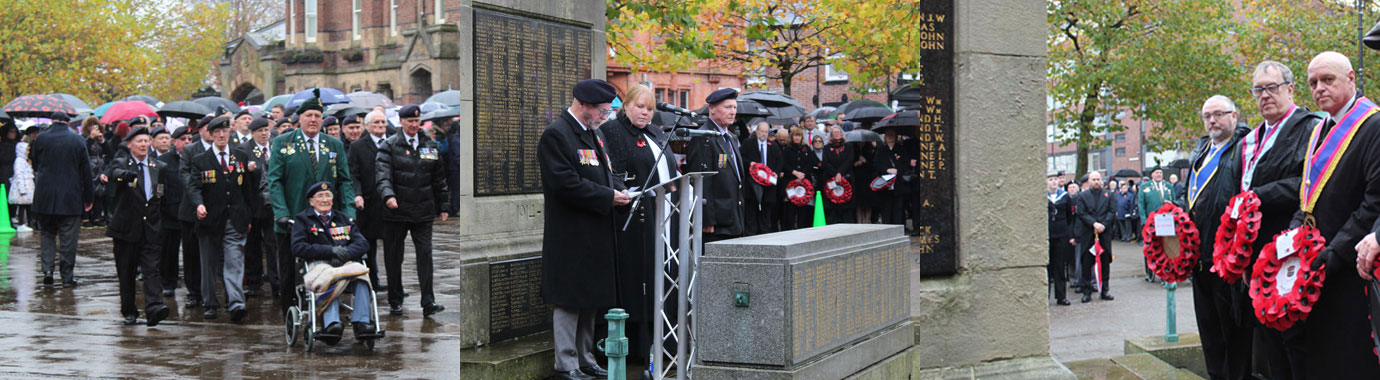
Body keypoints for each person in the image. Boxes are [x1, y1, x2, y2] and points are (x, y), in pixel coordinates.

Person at [1289, 51, 1380, 378]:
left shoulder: (1374, 125)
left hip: (1351, 267)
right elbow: (1308, 195)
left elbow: (1373, 203)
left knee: (1348, 358)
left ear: (1351, 78)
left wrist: (1334, 253)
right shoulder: (1318, 128)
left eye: (1328, 80)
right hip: (1316, 262)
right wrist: (1293, 238)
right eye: (1313, 83)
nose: (1319, 89)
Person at [1237, 60, 1320, 380]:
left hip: (1291, 247)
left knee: (1295, 339)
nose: (1265, 95)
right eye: (1258, 89)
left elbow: (1309, 181)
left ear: (1290, 88)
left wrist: (1259, 194)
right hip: (1255, 252)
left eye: (1272, 87)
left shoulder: (1311, 126)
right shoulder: (1252, 137)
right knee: (1268, 336)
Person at [538, 79, 624, 380]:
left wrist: (622, 190)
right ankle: (566, 363)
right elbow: (565, 184)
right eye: (602, 111)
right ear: (583, 105)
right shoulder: (557, 135)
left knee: (591, 298)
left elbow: (605, 173)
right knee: (570, 299)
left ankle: (586, 358)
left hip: (596, 230)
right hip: (571, 234)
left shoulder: (593, 134)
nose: (605, 117)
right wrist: (608, 196)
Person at [600, 83, 679, 362]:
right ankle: (638, 347)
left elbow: (670, 168)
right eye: (639, 107)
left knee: (663, 276)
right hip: (633, 220)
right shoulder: (613, 132)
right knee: (640, 282)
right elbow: (613, 173)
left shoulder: (656, 132)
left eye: (649, 108)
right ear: (626, 105)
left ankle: (664, 342)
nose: (645, 113)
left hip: (664, 215)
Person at [267, 90, 356, 312]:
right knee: (288, 271)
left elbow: (345, 181)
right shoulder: (283, 143)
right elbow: (274, 181)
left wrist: (349, 212)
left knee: (329, 266)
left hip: (327, 220)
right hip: (292, 218)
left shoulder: (333, 145)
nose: (313, 120)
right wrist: (281, 212)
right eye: (309, 115)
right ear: (300, 119)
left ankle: (328, 311)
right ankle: (290, 312)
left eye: (317, 115)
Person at [1183, 95, 1251, 380]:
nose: (1212, 121)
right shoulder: (1201, 151)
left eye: (1219, 114)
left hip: (1227, 260)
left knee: (1233, 335)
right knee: (1209, 334)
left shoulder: (1244, 149)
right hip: (1199, 261)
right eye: (1207, 116)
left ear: (1234, 116)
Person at [376, 104, 449, 317]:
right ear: (401, 122)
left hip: (423, 210)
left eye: (417, 121)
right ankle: (395, 299)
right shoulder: (389, 146)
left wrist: (443, 205)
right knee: (393, 257)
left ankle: (428, 301)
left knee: (425, 255)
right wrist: (388, 196)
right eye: (410, 121)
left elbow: (439, 178)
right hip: (396, 212)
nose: (414, 125)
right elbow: (382, 175)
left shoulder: (430, 145)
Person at [186, 116, 260, 322]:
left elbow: (248, 189)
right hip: (209, 220)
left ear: (229, 133)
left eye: (224, 131)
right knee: (208, 264)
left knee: (234, 261)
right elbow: (193, 186)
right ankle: (210, 303)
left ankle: (236, 303)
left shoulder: (240, 156)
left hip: (235, 219)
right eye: (216, 132)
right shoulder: (201, 159)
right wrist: (198, 204)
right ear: (209, 134)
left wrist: (249, 214)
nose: (221, 135)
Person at [290, 181, 378, 344]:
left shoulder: (343, 218)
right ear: (311, 201)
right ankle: (331, 324)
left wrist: (345, 253)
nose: (325, 200)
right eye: (320, 196)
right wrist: (329, 251)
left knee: (361, 277)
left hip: (344, 263)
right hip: (318, 264)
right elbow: (298, 247)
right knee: (328, 277)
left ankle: (362, 322)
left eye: (328, 195)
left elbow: (363, 243)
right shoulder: (303, 220)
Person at [103, 127, 171, 326]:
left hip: (151, 227)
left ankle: (154, 307)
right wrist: (125, 175)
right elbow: (113, 173)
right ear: (130, 144)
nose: (143, 145)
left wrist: (160, 220)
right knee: (127, 272)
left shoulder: (158, 166)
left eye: (146, 141)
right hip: (126, 228)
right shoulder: (122, 163)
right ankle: (129, 310)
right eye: (139, 141)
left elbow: (161, 194)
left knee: (152, 270)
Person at [30, 113, 94, 287]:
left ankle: (48, 270)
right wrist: (89, 197)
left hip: (45, 195)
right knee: (68, 238)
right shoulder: (77, 140)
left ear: (51, 121)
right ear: (68, 122)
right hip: (70, 196)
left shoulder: (41, 139)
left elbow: (35, 163)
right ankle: (67, 276)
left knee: (47, 234)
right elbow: (86, 171)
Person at [684, 88, 745, 241]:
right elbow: (700, 179)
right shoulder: (703, 137)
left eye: (734, 107)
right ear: (712, 109)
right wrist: (706, 217)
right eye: (727, 107)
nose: (732, 112)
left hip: (733, 215)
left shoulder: (730, 136)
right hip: (717, 220)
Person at [158, 126, 200, 304]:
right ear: (174, 142)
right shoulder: (165, 161)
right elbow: (159, 188)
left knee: (191, 253)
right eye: (183, 139)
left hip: (191, 212)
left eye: (190, 139)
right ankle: (168, 282)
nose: (187, 142)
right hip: (171, 212)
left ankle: (193, 288)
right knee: (169, 251)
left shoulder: (195, 159)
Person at [348, 110, 389, 290]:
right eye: (376, 123)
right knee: (368, 246)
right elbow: (353, 174)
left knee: (392, 247)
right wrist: (357, 194)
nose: (380, 126)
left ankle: (395, 286)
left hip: (389, 203)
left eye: (383, 122)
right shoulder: (357, 146)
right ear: (368, 126)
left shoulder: (393, 142)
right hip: (368, 203)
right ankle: (372, 282)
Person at [238, 118, 278, 297]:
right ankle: (253, 283)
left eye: (266, 130)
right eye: (260, 131)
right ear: (252, 133)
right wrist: (247, 169)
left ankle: (276, 281)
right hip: (253, 204)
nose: (264, 134)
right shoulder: (244, 150)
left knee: (273, 244)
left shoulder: (275, 147)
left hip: (273, 205)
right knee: (253, 245)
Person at [1074, 171, 1115, 303]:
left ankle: (1104, 290)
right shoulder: (1082, 196)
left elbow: (1111, 212)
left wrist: (1103, 225)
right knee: (1086, 262)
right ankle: (1087, 291)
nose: (1096, 182)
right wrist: (1094, 223)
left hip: (1104, 233)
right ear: (1089, 181)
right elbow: (1081, 212)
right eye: (1093, 179)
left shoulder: (1108, 195)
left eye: (1098, 179)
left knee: (1104, 262)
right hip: (1088, 233)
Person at [741, 121, 784, 235]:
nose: (764, 134)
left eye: (766, 132)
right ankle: (751, 233)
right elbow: (741, 158)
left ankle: (765, 233)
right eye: (762, 131)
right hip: (752, 184)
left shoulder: (773, 145)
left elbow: (780, 161)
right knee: (752, 210)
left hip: (768, 184)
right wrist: (750, 163)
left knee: (766, 210)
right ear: (757, 131)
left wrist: (776, 172)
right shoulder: (748, 143)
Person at [874, 128, 911, 225]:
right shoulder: (881, 149)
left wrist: (898, 171)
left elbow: (906, 164)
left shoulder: (901, 148)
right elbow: (876, 165)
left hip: (898, 183)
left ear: (895, 136)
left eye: (891, 135)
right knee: (886, 208)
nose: (890, 137)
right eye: (888, 135)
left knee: (898, 208)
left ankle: (899, 227)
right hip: (885, 184)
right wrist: (886, 170)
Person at [1047, 172, 1074, 306]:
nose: (1053, 182)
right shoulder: (1043, 197)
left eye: (1055, 179)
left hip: (1061, 236)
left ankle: (1061, 296)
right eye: (1050, 179)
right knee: (1047, 267)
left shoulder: (1064, 197)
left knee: (1060, 267)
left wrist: (1068, 233)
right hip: (1047, 236)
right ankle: (1045, 296)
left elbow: (1070, 216)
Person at [821, 125, 856, 224]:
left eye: (838, 132)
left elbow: (849, 160)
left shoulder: (848, 146)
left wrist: (840, 173)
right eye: (834, 132)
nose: (837, 134)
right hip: (830, 178)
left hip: (846, 177)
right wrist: (835, 174)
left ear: (842, 134)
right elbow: (825, 162)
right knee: (832, 207)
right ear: (831, 135)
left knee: (847, 207)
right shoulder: (827, 148)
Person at [11, 127, 37, 232]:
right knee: (22, 207)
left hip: (28, 188)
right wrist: (22, 189)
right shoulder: (19, 161)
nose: (28, 152)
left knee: (28, 207)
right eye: (27, 150)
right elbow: (19, 175)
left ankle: (29, 223)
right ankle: (22, 223)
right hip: (24, 188)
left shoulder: (25, 161)